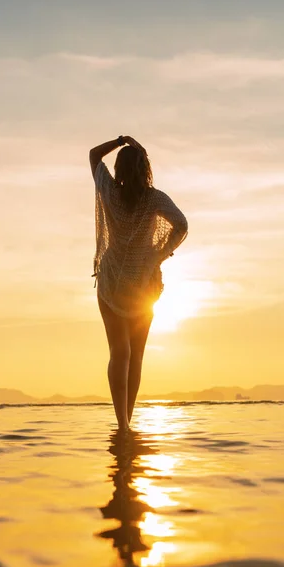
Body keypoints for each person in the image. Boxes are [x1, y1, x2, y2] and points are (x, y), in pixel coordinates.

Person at [89, 135, 188, 430]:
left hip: (111, 283)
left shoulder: (110, 191)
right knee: (136, 357)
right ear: (144, 168)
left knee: (119, 353)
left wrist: (121, 141)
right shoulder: (154, 198)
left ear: (119, 169)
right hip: (143, 285)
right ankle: (126, 423)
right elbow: (181, 225)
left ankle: (122, 422)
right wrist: (158, 254)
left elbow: (94, 155)